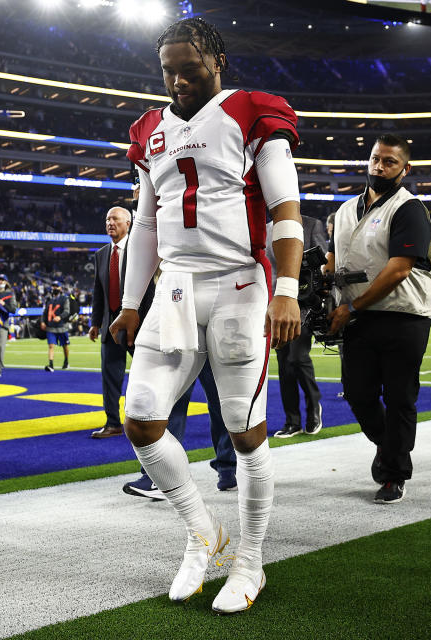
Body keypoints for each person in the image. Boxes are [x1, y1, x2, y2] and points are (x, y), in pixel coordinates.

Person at [109, 17, 303, 613]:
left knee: (245, 433)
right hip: (175, 289)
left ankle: (250, 560)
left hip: (241, 285)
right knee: (141, 416)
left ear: (215, 59)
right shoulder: (149, 129)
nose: (176, 79)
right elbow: (145, 222)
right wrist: (129, 303)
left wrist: (288, 288)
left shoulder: (250, 111)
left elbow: (284, 206)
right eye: (166, 69)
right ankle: (201, 532)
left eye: (187, 68)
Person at [325, 134, 431, 505]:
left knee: (400, 395)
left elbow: (399, 269)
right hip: (357, 315)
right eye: (375, 159)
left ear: (405, 169)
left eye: (389, 162)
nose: (379, 167)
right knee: (357, 393)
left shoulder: (409, 208)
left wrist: (350, 308)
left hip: (402, 315)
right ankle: (391, 448)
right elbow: (333, 262)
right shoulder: (344, 211)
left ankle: (393, 474)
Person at [123, 360, 238, 497]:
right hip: (201, 341)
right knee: (217, 401)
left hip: (189, 343)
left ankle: (161, 477)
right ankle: (227, 470)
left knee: (178, 401)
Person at [88, 205, 154, 438]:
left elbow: (149, 291)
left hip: (139, 327)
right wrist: (95, 322)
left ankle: (150, 420)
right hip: (110, 327)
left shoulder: (141, 250)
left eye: (115, 219)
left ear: (128, 224)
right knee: (110, 378)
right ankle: (113, 422)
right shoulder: (101, 254)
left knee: (147, 377)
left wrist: (146, 323)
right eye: (107, 219)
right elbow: (98, 291)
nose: (110, 223)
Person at [269, 216, 327, 438]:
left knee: (297, 357)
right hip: (275, 305)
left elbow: (321, 264)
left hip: (304, 303)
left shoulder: (312, 224)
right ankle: (291, 421)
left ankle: (314, 408)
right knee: (284, 364)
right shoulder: (264, 226)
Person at [41, 281, 71, 371]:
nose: (54, 288)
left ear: (60, 288)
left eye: (56, 286)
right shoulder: (48, 300)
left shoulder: (64, 299)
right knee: (51, 346)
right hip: (50, 327)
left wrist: (60, 317)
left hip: (62, 327)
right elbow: (44, 313)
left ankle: (66, 361)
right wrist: (42, 321)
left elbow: (67, 311)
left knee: (65, 346)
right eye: (53, 286)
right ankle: (51, 365)